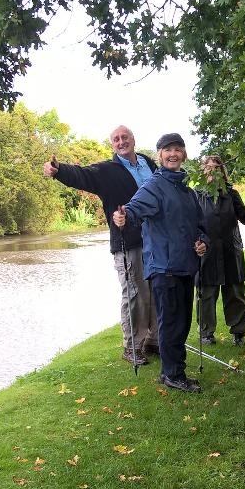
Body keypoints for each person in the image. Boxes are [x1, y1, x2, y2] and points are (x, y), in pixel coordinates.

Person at [43, 125, 157, 366]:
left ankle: (153, 340)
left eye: (125, 137)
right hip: (127, 241)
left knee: (155, 290)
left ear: (134, 139)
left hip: (155, 240)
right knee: (135, 293)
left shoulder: (148, 163)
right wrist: (59, 170)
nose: (121, 142)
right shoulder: (108, 170)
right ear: (112, 145)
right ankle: (132, 347)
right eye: (116, 139)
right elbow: (83, 175)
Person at [114, 133, 209, 393]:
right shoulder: (153, 186)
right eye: (168, 150)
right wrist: (123, 216)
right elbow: (133, 210)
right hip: (164, 268)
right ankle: (173, 374)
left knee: (183, 322)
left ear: (184, 154)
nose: (173, 154)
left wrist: (202, 242)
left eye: (177, 149)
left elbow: (200, 227)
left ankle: (173, 369)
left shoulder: (188, 191)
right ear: (160, 155)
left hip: (186, 266)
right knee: (171, 323)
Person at [195, 155, 245, 347]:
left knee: (235, 293)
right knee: (206, 294)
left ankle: (238, 332)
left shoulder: (231, 193)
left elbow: (244, 215)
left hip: (230, 250)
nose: (213, 171)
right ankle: (206, 333)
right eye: (209, 168)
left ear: (222, 171)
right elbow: (189, 224)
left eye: (217, 168)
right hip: (206, 252)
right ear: (203, 171)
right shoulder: (196, 195)